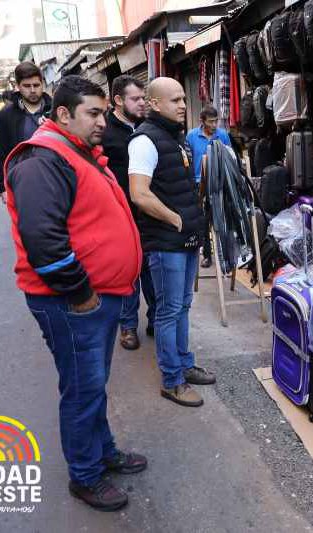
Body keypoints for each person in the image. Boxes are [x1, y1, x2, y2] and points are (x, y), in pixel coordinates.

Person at [4, 75, 146, 511]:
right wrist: (81, 292)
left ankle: (102, 452)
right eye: (93, 113)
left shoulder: (75, 152)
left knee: (93, 385)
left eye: (104, 112)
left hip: (93, 299)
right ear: (63, 114)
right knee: (83, 390)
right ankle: (85, 476)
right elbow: (42, 239)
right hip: (71, 302)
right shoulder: (42, 160)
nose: (103, 120)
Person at [129, 77, 215, 408]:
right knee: (167, 311)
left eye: (183, 98)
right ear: (153, 104)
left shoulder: (174, 137)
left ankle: (184, 363)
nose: (183, 104)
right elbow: (139, 193)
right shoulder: (144, 141)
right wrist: (173, 218)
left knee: (183, 307)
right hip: (166, 242)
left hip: (185, 239)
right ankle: (172, 380)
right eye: (176, 99)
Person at [101, 75, 155, 350]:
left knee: (153, 272)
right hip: (120, 216)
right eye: (135, 99)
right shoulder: (105, 133)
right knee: (130, 273)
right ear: (118, 101)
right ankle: (128, 327)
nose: (141, 103)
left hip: (149, 213)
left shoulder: (147, 129)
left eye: (143, 98)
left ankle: (156, 319)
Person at [0, 62, 52, 203]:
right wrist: (2, 188)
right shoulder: (6, 115)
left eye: (36, 85)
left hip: (54, 180)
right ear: (18, 87)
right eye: (26, 86)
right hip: (22, 184)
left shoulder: (56, 111)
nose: (32, 90)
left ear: (42, 84)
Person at [185, 105, 231, 269]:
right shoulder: (191, 136)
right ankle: (207, 255)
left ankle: (226, 255)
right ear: (202, 121)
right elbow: (187, 161)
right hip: (198, 184)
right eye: (211, 122)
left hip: (219, 182)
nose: (214, 125)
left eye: (216, 121)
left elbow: (230, 158)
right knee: (203, 222)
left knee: (222, 219)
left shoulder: (223, 135)